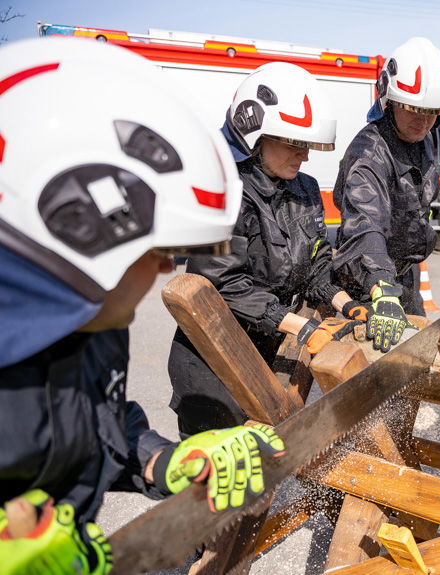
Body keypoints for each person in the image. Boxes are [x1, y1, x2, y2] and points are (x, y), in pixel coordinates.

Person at [0, 38, 286, 574]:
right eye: (154, 249)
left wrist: (163, 460)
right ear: (75, 230)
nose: (161, 269)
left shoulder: (95, 320)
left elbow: (98, 424)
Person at [168, 62, 365, 437]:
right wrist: (303, 327)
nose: (304, 156)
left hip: (268, 348)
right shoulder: (226, 189)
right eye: (294, 144)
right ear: (254, 137)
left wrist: (348, 304)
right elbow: (222, 284)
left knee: (268, 453)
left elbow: (316, 266)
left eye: (307, 145)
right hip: (214, 359)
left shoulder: (305, 188)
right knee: (217, 465)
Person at [332, 37, 440, 353]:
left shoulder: (425, 136)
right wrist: (381, 286)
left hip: (404, 272)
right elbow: (365, 224)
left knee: (419, 354)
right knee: (374, 366)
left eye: (432, 112)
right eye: (415, 110)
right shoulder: (368, 154)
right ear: (390, 100)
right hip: (367, 279)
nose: (423, 121)